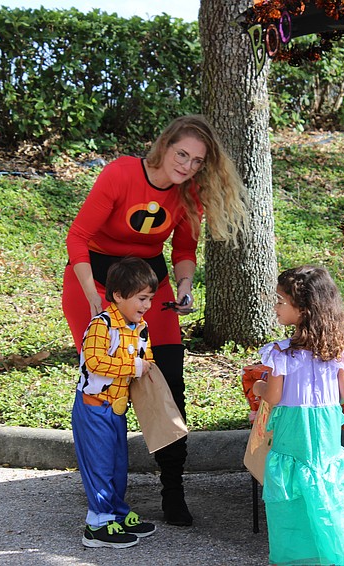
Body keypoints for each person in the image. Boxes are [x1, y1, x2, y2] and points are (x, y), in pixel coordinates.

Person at [62, 114, 248, 526]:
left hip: (149, 281)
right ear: (164, 147)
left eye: (197, 161)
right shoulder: (121, 174)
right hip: (94, 278)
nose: (187, 165)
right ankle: (105, 494)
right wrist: (96, 299)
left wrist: (184, 288)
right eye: (182, 154)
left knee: (169, 380)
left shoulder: (189, 195)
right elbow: (77, 237)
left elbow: (184, 249)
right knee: (106, 383)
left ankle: (173, 489)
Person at [252, 266, 344, 565]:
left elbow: (274, 397)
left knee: (292, 506)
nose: (275, 307)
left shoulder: (281, 354)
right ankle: (333, 556)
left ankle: (297, 558)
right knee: (330, 501)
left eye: (280, 301)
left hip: (294, 441)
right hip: (326, 445)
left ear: (303, 309)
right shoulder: (338, 350)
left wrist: (258, 386)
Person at [73, 257, 158, 549]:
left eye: (149, 299)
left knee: (117, 465)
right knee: (99, 465)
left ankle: (116, 514)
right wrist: (134, 367)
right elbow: (95, 362)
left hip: (117, 409)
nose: (146, 305)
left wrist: (145, 366)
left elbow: (147, 358)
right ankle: (96, 525)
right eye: (142, 298)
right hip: (93, 407)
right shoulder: (101, 325)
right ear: (119, 296)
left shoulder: (140, 326)